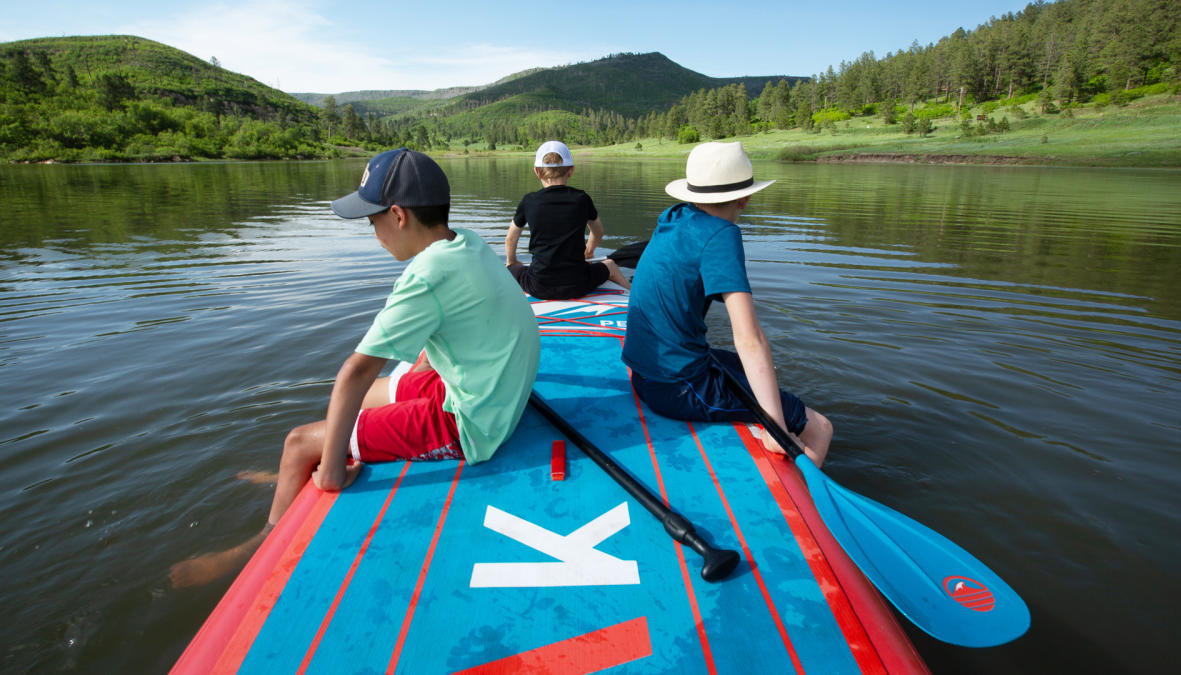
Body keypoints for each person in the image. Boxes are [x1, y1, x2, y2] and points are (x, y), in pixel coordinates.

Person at [169, 148, 540, 587]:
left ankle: (264, 538)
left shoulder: (425, 276)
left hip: (473, 424)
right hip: (488, 389)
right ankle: (320, 459)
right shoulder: (466, 243)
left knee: (297, 442)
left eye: (372, 220)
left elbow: (354, 372)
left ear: (398, 215)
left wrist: (329, 474)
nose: (373, 232)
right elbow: (452, 328)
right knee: (358, 404)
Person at [621, 142, 832, 466]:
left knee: (764, 372)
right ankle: (803, 508)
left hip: (642, 374)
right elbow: (750, 338)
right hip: (677, 387)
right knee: (820, 427)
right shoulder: (721, 235)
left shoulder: (673, 218)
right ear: (745, 197)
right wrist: (775, 427)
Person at [505, 140, 630, 298]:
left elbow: (511, 239)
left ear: (537, 171)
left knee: (508, 268)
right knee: (610, 265)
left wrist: (512, 261)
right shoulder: (582, 199)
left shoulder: (528, 201)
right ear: (570, 171)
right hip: (578, 285)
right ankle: (635, 300)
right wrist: (589, 252)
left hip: (538, 286)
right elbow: (597, 232)